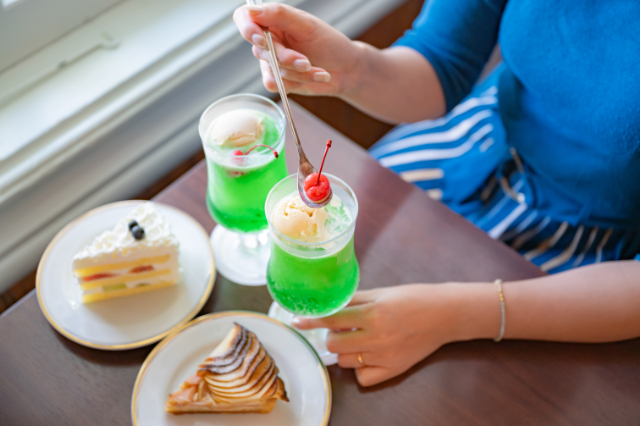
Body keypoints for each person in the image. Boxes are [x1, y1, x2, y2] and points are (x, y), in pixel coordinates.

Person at [233, 1, 640, 387]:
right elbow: (443, 58)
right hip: (471, 142)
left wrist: (455, 315)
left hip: (588, 242)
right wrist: (351, 69)